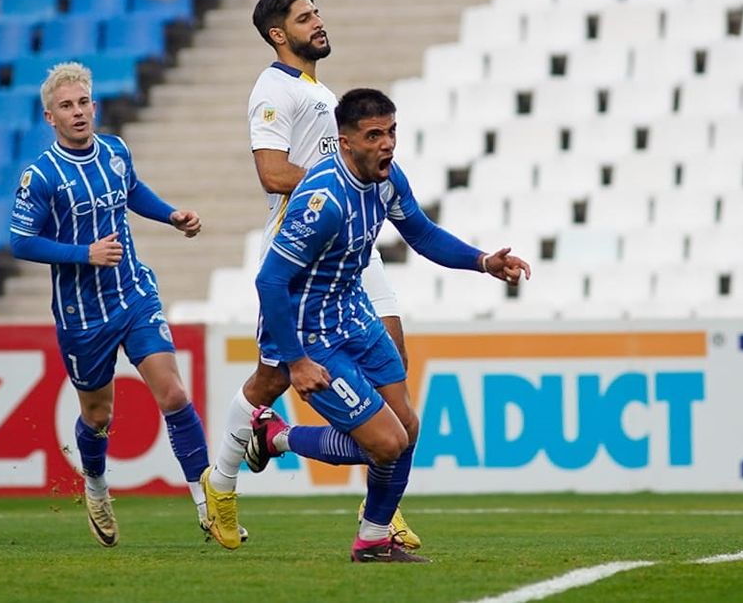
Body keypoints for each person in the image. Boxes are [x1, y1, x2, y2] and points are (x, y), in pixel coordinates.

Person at [209, 87, 531, 562]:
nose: (387, 144)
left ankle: (374, 538)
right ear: (345, 142)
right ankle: (273, 436)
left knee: (407, 428)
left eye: (392, 132)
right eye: (374, 135)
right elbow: (270, 281)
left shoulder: (386, 179)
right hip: (311, 331)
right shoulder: (322, 200)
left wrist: (482, 261)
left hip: (354, 314)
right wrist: (296, 361)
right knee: (386, 443)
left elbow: (420, 233)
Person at [201, 0, 419, 550]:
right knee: (271, 379)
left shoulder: (320, 92)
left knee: (395, 369)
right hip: (306, 256)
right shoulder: (274, 92)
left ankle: (382, 507)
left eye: (318, 12)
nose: (318, 22)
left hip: (350, 247)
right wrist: (340, 187)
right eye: (304, 17)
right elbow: (272, 174)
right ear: (279, 34)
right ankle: (221, 482)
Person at [9, 61, 244, 547]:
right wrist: (84, 254)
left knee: (174, 395)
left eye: (83, 103)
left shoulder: (115, 151)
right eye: (66, 106)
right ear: (49, 117)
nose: (78, 113)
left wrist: (170, 214)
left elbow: (132, 191)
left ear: (94, 105)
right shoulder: (41, 176)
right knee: (98, 417)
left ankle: (209, 506)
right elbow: (19, 241)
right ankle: (95, 486)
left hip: (134, 293)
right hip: (82, 316)